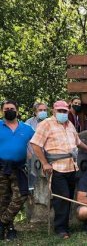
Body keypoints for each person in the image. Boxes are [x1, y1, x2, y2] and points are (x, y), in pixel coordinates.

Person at [30, 100, 87, 239]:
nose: (62, 113)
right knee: (61, 198)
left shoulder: (70, 125)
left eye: (65, 111)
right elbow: (35, 144)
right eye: (60, 111)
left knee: (68, 197)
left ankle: (65, 225)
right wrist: (45, 163)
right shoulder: (46, 124)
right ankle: (61, 229)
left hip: (71, 166)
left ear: (68, 111)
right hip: (56, 167)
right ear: (54, 111)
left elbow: (78, 142)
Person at [0, 100, 34, 241]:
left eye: (12, 108)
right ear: (2, 111)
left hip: (19, 168)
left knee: (21, 195)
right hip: (1, 167)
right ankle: (10, 228)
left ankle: (1, 223)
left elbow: (37, 143)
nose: (9, 110)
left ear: (17, 111)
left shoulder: (27, 128)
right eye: (6, 108)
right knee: (3, 199)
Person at [26, 102, 48, 191]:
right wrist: (28, 152)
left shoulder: (50, 122)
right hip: (32, 155)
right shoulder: (29, 122)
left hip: (47, 156)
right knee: (32, 178)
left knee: (45, 179)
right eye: (40, 110)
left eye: (45, 110)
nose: (43, 112)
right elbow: (25, 139)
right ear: (35, 112)